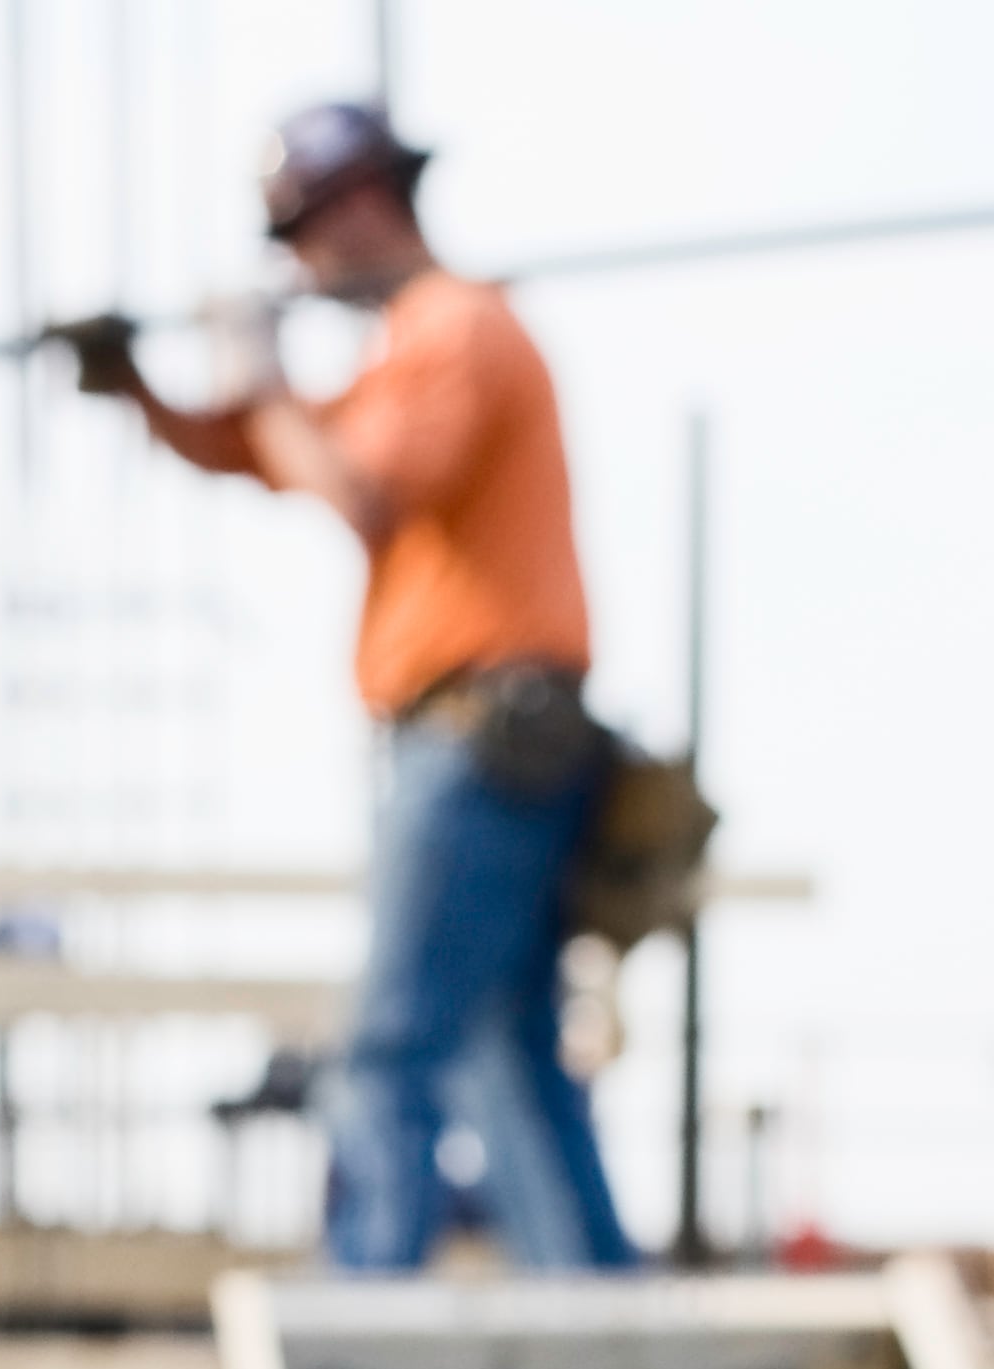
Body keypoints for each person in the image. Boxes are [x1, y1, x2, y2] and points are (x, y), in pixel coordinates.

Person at [74, 100, 631, 1272]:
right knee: (506, 1044)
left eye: (300, 235)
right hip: (493, 739)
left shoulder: (455, 329)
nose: (295, 264)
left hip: (482, 738)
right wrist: (142, 390)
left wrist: (257, 359)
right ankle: (597, 1306)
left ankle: (366, 1304)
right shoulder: (414, 351)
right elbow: (266, 451)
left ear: (363, 207)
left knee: (393, 1044)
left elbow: (363, 489)